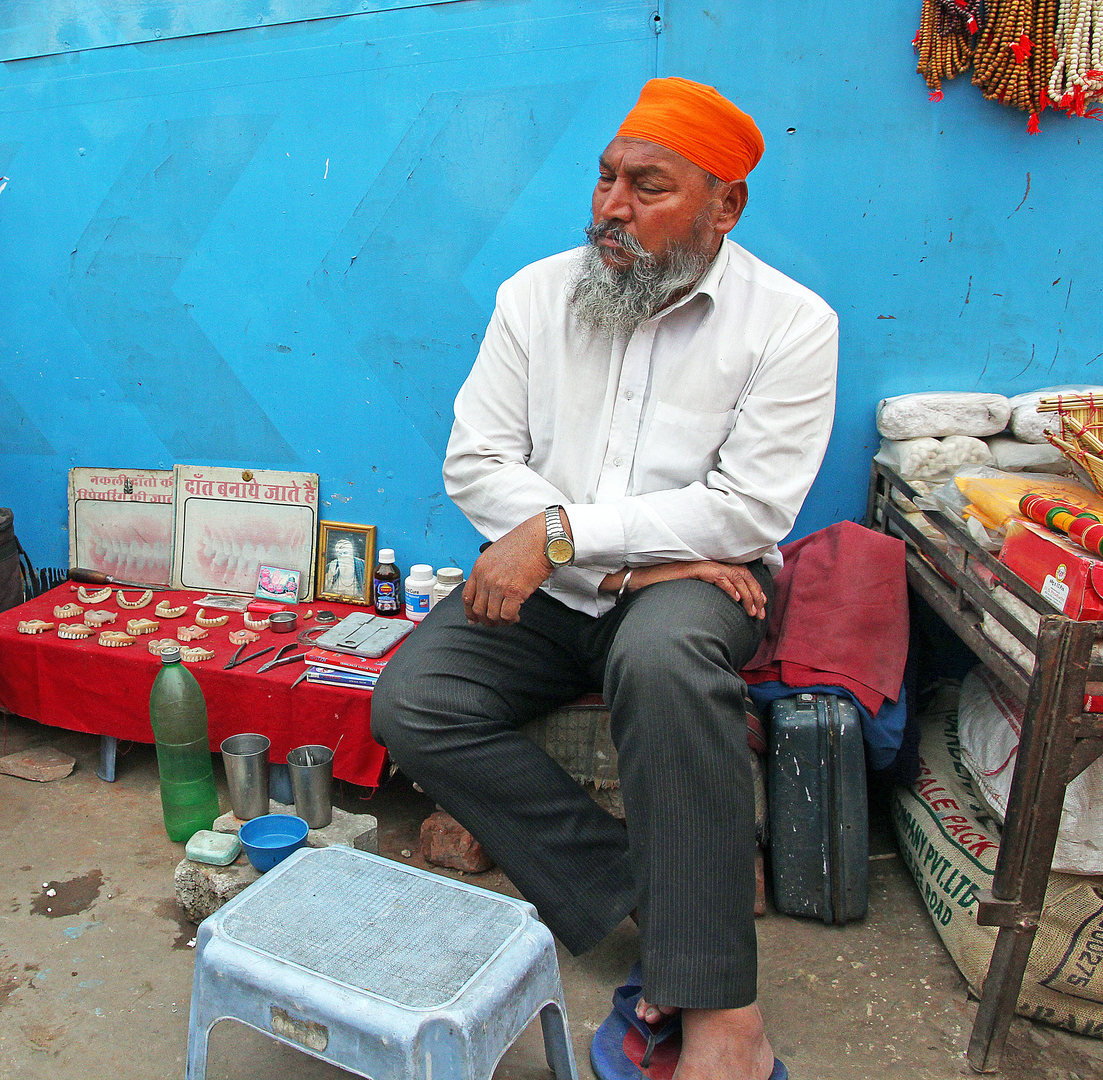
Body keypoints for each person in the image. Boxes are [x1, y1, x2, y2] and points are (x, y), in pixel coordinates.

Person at [371, 78, 837, 1080]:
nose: (610, 208)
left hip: (687, 589)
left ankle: (725, 1019)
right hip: (576, 579)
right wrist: (608, 554)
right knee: (416, 700)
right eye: (606, 178)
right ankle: (661, 901)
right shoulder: (535, 295)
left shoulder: (792, 324)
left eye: (648, 186)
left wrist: (568, 536)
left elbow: (750, 509)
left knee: (667, 657)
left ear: (724, 207)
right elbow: (475, 462)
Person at [321, 534, 367, 599]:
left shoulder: (362, 565)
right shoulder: (331, 566)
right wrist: (330, 576)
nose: (343, 556)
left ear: (352, 552)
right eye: (339, 553)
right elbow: (324, 589)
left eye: (345, 553)